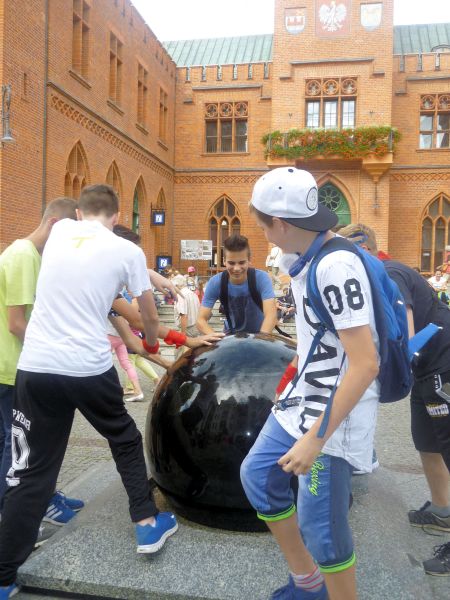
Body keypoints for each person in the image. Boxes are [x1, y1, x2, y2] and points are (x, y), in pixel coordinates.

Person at [0, 185, 222, 599]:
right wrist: (158, 334)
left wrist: (147, 276)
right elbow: (146, 316)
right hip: (86, 366)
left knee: (31, 471)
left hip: (36, 367)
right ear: (119, 218)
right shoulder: (126, 253)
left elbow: (103, 279)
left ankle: (4, 575)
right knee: (123, 437)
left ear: (79, 213)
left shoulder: (62, 231)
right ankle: (145, 524)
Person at [241, 167, 381, 600]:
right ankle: (309, 583)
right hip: (302, 398)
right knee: (259, 477)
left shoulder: (336, 265)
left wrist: (315, 439)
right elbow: (317, 337)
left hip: (335, 414)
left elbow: (365, 364)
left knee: (323, 531)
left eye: (263, 224)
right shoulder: (298, 257)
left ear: (281, 223)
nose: (262, 233)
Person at [339, 223, 450, 577]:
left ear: (365, 249)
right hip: (426, 372)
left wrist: (375, 375)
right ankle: (442, 510)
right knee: (427, 442)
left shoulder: (389, 272)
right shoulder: (372, 278)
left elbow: (406, 333)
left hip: (443, 365)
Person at [0, 197, 84, 530]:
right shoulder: (23, 256)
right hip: (10, 368)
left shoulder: (32, 255)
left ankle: (41, 495)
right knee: (17, 445)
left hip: (16, 366)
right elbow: (17, 322)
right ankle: (19, 514)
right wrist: (57, 352)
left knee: (17, 442)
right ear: (53, 225)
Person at [197, 234, 277, 335]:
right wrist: (217, 341)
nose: (237, 268)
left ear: (249, 260)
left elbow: (271, 315)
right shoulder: (215, 282)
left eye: (242, 262)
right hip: (230, 336)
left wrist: (259, 341)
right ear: (224, 261)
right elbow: (201, 320)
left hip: (259, 334)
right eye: (231, 263)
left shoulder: (261, 278)